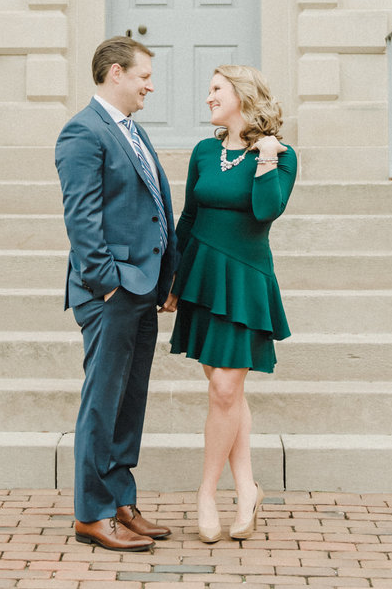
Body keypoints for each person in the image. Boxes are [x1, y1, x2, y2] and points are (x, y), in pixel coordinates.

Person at [55, 36, 178, 552]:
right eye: (143, 74)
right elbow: (81, 217)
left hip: (142, 288)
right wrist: (107, 282)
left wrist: (164, 280)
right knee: (102, 403)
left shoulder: (134, 132)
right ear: (114, 74)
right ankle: (92, 512)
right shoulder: (82, 132)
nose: (150, 84)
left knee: (130, 402)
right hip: (110, 289)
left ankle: (122, 502)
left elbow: (154, 208)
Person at [167, 65, 297, 544]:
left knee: (224, 389)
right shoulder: (204, 152)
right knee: (228, 394)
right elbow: (189, 215)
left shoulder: (282, 155)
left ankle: (205, 493)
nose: (208, 98)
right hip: (202, 276)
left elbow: (267, 210)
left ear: (242, 95)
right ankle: (247, 488)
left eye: (215, 89)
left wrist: (265, 157)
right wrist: (174, 279)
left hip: (244, 282)